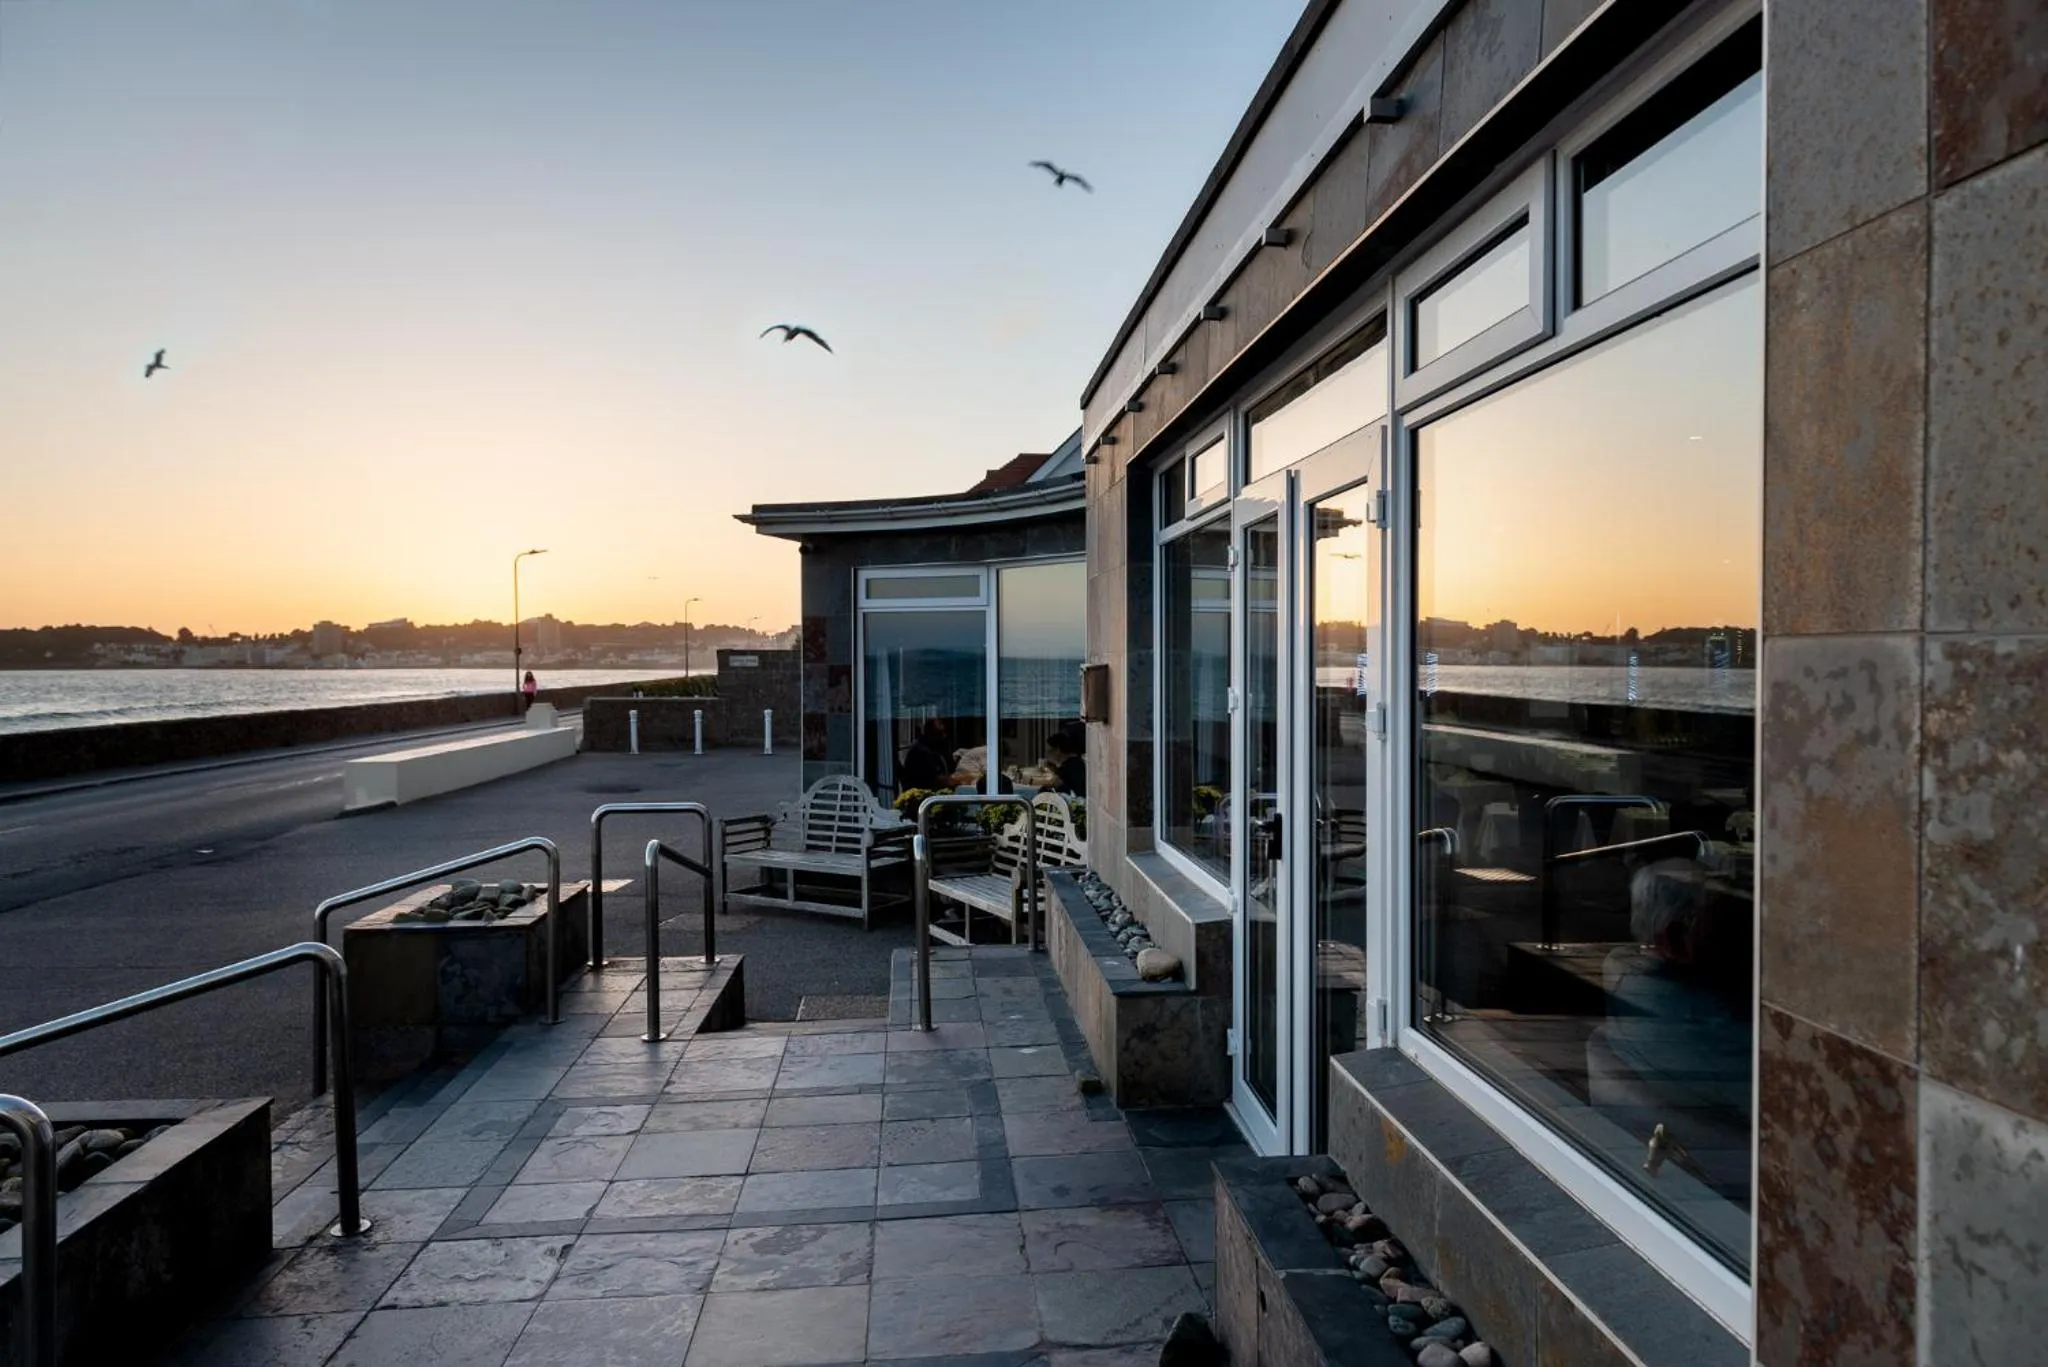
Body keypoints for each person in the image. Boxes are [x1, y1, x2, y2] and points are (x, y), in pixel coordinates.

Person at [898, 719, 956, 792]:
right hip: (923, 793)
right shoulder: (921, 751)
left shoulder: (937, 748)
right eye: (940, 734)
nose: (944, 736)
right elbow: (938, 779)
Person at [1045, 731, 1086, 796]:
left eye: (1050, 750)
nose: (1047, 753)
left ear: (1057, 750)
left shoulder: (1070, 767)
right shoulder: (1076, 763)